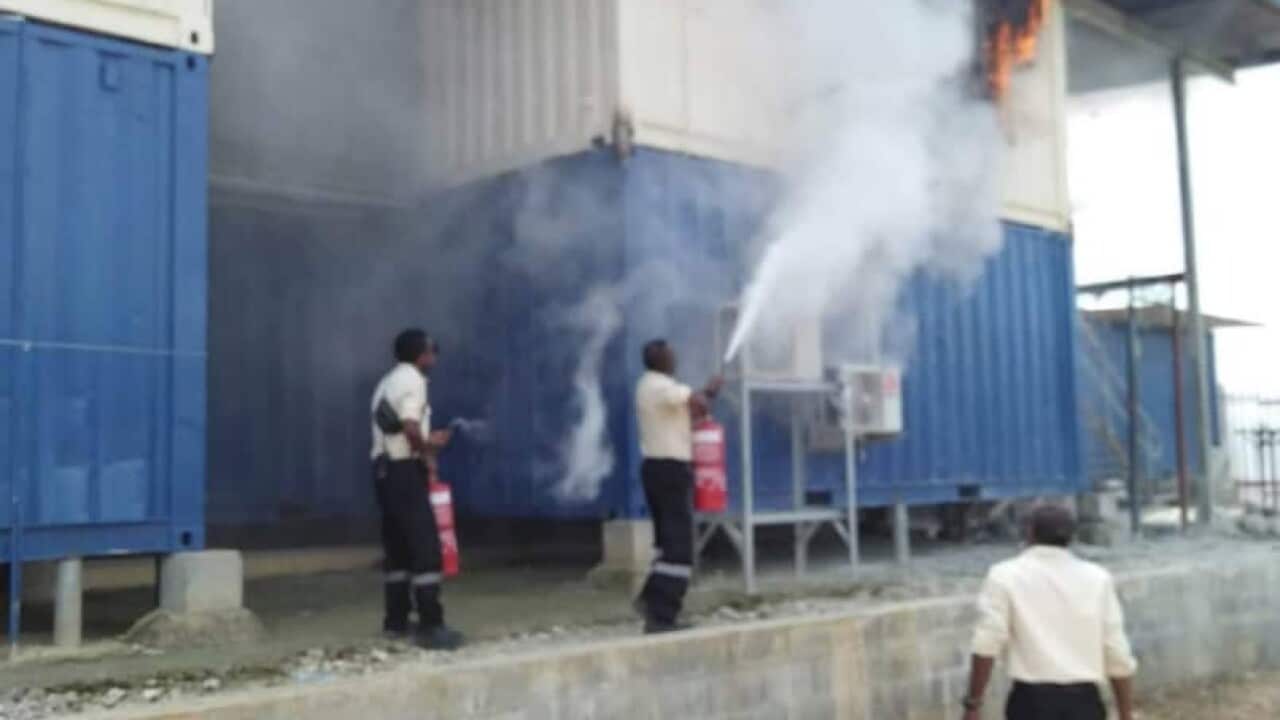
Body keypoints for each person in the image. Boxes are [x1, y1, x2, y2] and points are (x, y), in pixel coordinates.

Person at [962, 504, 1137, 720]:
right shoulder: (1098, 579)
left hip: (1031, 703)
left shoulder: (1004, 575)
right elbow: (1116, 652)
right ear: (1072, 536)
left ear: (1030, 532)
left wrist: (973, 704)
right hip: (1085, 703)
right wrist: (1125, 714)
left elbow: (986, 643)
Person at [370, 329, 463, 650]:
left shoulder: (388, 381)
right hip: (404, 470)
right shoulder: (413, 381)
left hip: (384, 470)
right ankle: (431, 625)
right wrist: (428, 448)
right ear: (420, 354)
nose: (434, 358)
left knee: (398, 548)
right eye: (431, 351)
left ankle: (395, 621)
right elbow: (410, 426)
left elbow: (395, 426)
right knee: (425, 547)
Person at [632, 339, 722, 634]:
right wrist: (708, 391)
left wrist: (705, 398)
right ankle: (662, 615)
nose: (675, 358)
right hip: (669, 469)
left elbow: (691, 412)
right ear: (658, 359)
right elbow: (696, 402)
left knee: (664, 544)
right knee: (679, 547)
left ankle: (650, 599)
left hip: (657, 469)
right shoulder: (659, 385)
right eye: (670, 354)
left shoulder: (653, 388)